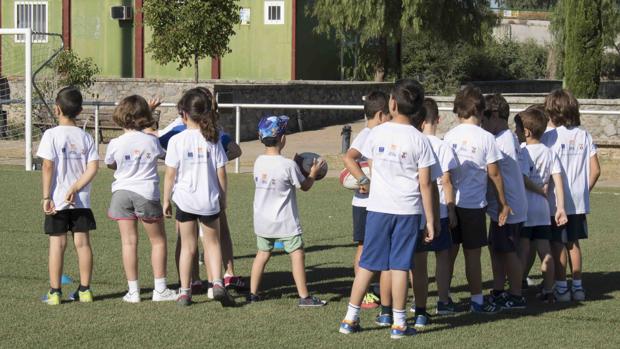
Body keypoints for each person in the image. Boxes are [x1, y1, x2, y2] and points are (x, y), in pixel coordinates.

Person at [339, 79, 436, 339]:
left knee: (368, 263)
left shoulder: (376, 133)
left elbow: (363, 161)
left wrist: (364, 180)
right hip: (407, 211)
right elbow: (425, 184)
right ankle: (399, 324)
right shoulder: (421, 140)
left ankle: (349, 318)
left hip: (378, 209)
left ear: (392, 103)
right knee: (401, 267)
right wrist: (430, 220)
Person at [162, 88, 235, 307]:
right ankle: (217, 284)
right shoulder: (213, 139)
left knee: (188, 246)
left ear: (183, 114)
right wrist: (223, 198)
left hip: (185, 201)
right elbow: (221, 173)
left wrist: (165, 199)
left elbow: (170, 175)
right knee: (212, 244)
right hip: (209, 200)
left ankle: (185, 292)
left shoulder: (177, 140)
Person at [247, 115, 327, 307]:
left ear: (260, 137)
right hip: (285, 222)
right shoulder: (288, 165)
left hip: (262, 221)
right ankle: (304, 297)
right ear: (283, 138)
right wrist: (313, 174)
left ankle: (253, 293)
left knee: (262, 254)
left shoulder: (258, 162)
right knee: (297, 254)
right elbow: (305, 186)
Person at [104, 95, 177, 303]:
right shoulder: (151, 141)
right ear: (144, 116)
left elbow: (111, 164)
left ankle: (133, 291)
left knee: (128, 243)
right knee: (158, 241)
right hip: (145, 193)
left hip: (120, 193)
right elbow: (161, 154)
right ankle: (160, 289)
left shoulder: (115, 142)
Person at [444, 85, 510, 314]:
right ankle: (477, 301)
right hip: (473, 206)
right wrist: (503, 202)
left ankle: (444, 300)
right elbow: (494, 174)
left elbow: (446, 175)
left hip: (449, 204)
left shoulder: (449, 136)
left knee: (448, 255)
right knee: (473, 255)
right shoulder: (486, 138)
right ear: (481, 111)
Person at [37, 86, 98, 305]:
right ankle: (85, 290)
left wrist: (46, 196)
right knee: (82, 243)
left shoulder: (51, 135)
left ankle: (55, 292)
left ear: (57, 109)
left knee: (57, 244)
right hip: (81, 200)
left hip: (57, 200)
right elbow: (92, 168)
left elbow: (47, 166)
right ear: (80, 111)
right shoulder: (86, 137)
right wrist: (76, 188)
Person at [542, 89, 601, 302]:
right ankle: (578, 287)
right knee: (573, 243)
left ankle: (561, 288)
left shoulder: (549, 137)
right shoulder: (584, 134)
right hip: (577, 201)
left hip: (556, 202)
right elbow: (595, 170)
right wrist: (583, 191)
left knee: (557, 244)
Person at [408, 98, 458, 328]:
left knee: (417, 262)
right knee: (443, 257)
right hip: (438, 211)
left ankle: (418, 305)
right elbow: (446, 181)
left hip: (415, 210)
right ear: (437, 119)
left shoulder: (413, 142)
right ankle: (443, 300)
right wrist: (451, 209)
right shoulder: (441, 145)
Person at [342, 91, 391, 310]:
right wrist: (363, 179)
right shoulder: (367, 134)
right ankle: (363, 293)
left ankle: (379, 288)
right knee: (364, 246)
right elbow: (348, 157)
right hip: (364, 204)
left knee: (380, 245)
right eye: (389, 115)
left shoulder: (377, 134)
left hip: (378, 202)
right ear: (381, 115)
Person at [515, 106, 568, 303]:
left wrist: (538, 190)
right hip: (544, 210)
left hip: (526, 208)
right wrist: (560, 207)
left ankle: (516, 290)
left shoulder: (523, 151)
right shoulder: (549, 152)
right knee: (545, 251)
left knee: (523, 249)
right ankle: (548, 290)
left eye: (518, 129)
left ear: (526, 132)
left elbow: (522, 177)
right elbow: (558, 180)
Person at [480, 93, 528, 310]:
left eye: (484, 119)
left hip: (508, 207)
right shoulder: (504, 137)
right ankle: (499, 290)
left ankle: (516, 294)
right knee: (497, 249)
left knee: (508, 251)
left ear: (496, 115)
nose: (481, 124)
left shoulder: (503, 139)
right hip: (502, 207)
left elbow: (492, 170)